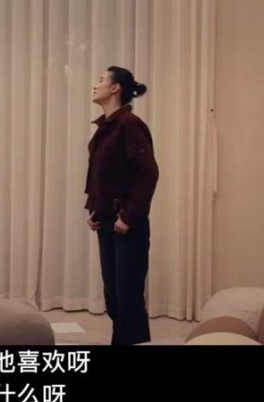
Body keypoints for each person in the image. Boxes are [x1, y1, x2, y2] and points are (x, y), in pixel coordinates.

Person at [85, 66, 159, 345]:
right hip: (107, 219)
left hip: (127, 222)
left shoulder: (129, 124)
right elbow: (104, 175)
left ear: (115, 88)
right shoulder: (106, 127)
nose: (96, 85)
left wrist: (128, 216)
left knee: (128, 299)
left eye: (101, 80)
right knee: (114, 298)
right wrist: (94, 208)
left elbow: (148, 173)